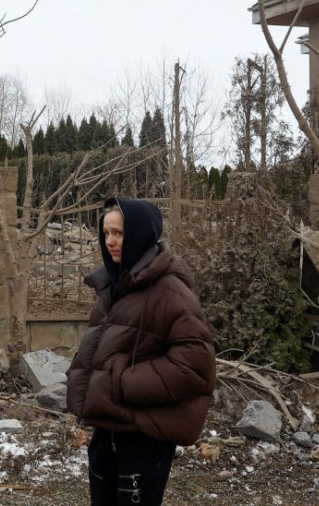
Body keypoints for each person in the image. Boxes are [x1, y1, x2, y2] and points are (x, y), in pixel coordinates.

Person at [66, 197, 216, 506]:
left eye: (119, 233)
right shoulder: (113, 285)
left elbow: (195, 368)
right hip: (107, 429)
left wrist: (121, 383)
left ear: (140, 234)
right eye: (106, 233)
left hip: (144, 436)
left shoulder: (170, 291)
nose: (110, 242)